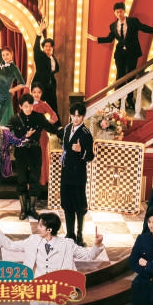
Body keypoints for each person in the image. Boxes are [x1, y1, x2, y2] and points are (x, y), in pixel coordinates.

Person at [0, 213, 103, 305]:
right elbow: (10, 245)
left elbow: (88, 256)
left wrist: (97, 244)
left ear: (49, 229)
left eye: (40, 225)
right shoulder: (32, 240)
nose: (37, 228)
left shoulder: (67, 244)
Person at [89, 2, 153, 108]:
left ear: (124, 11)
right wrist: (96, 39)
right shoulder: (113, 26)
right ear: (114, 13)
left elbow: (144, 28)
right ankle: (118, 99)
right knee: (120, 76)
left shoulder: (133, 21)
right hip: (120, 54)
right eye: (117, 12)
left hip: (132, 52)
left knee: (131, 76)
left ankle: (130, 100)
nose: (119, 14)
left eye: (121, 11)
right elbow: (110, 39)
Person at [8, 94, 63, 220]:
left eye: (31, 106)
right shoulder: (15, 118)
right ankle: (23, 209)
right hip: (21, 152)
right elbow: (7, 132)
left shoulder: (39, 117)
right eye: (26, 106)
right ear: (20, 106)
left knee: (34, 180)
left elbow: (50, 128)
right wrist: (22, 137)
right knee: (21, 180)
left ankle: (32, 209)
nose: (29, 109)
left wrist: (62, 131)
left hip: (35, 152)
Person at [60, 102, 94, 245]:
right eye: (73, 116)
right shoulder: (67, 128)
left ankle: (79, 235)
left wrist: (81, 151)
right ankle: (70, 234)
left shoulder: (86, 133)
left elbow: (90, 156)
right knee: (67, 204)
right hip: (66, 173)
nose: (75, 119)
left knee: (79, 206)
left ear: (83, 117)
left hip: (78, 175)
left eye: (78, 116)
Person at [0, 23, 27, 125]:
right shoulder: (1, 62)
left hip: (5, 94)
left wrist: (12, 90)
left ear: (12, 54)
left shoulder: (14, 68)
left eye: (7, 54)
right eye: (3, 55)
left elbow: (22, 83)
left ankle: (6, 134)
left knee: (4, 116)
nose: (5, 57)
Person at [30, 82, 59, 186]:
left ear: (41, 93)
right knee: (31, 157)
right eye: (34, 92)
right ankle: (31, 181)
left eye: (39, 92)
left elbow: (54, 116)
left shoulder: (43, 104)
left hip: (42, 135)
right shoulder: (28, 104)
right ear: (31, 93)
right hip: (30, 134)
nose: (36, 94)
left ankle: (42, 180)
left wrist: (48, 123)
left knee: (41, 156)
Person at [32, 19, 60, 116]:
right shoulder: (40, 56)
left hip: (50, 86)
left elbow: (55, 70)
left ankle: (56, 125)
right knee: (38, 109)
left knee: (53, 109)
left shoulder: (52, 57)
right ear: (43, 47)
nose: (48, 48)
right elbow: (36, 48)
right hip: (40, 85)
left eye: (50, 46)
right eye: (46, 46)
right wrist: (40, 32)